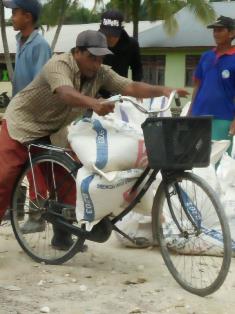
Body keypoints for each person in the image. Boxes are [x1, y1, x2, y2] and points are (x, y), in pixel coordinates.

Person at [0, 30, 189, 250]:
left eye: (101, 58)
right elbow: (65, 92)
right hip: (22, 124)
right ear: (78, 51)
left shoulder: (100, 72)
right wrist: (94, 103)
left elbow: (129, 86)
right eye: (92, 57)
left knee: (69, 178)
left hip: (53, 129)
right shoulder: (59, 65)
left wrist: (164, 90)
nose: (96, 64)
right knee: (4, 177)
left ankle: (63, 234)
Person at [3, 0, 52, 233]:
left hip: (32, 116)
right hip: (19, 112)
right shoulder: (20, 40)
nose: (12, 17)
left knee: (33, 165)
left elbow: (41, 84)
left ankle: (37, 214)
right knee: (16, 164)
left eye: (15, 13)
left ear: (28, 17)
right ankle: (14, 208)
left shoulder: (39, 45)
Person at [189, 15, 235, 156]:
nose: (216, 33)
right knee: (196, 159)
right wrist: (190, 111)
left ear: (232, 33)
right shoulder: (206, 56)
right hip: (199, 116)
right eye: (214, 30)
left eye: (220, 30)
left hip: (223, 118)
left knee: (218, 161)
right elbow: (197, 86)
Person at [99, 9, 142, 98]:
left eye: (114, 35)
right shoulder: (93, 43)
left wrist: (137, 89)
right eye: (106, 34)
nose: (110, 38)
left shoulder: (131, 45)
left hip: (120, 95)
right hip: (96, 96)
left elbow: (137, 68)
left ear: (121, 30)